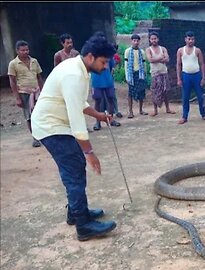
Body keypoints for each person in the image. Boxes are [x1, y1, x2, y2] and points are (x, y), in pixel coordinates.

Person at [31, 34, 117, 241]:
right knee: (75, 171)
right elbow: (76, 118)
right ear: (90, 57)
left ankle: (76, 213)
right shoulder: (73, 74)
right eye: (103, 62)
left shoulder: (79, 69)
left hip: (56, 125)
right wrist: (90, 152)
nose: (105, 67)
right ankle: (83, 225)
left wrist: (98, 115)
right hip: (51, 126)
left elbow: (78, 102)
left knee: (74, 168)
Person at [8, 40, 44, 147]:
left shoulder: (34, 61)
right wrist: (17, 98)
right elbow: (12, 81)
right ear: (17, 51)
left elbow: (39, 77)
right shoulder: (13, 64)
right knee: (29, 116)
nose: (25, 52)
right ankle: (35, 138)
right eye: (23, 50)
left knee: (40, 115)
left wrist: (43, 91)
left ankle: (42, 135)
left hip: (36, 91)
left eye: (27, 49)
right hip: (24, 92)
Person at [176, 31, 205, 124]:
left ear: (194, 40)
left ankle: (203, 114)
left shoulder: (197, 50)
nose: (191, 41)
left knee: (200, 97)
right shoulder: (180, 50)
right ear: (185, 39)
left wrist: (203, 77)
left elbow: (202, 64)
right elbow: (178, 65)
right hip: (186, 76)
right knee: (185, 97)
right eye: (189, 39)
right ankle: (184, 117)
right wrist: (179, 78)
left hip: (196, 75)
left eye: (192, 39)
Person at [146, 32, 176, 117]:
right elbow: (150, 60)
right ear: (150, 40)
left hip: (164, 72)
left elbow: (167, 59)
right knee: (155, 91)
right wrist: (160, 58)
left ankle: (168, 108)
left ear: (158, 39)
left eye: (155, 38)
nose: (154, 40)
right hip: (155, 74)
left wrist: (156, 59)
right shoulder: (148, 49)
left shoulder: (163, 48)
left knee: (166, 91)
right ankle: (155, 110)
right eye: (152, 39)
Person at [124, 34, 148, 118]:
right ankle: (131, 111)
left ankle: (141, 110)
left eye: (137, 41)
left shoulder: (142, 52)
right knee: (130, 93)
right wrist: (127, 76)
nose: (136, 42)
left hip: (140, 74)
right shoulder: (127, 51)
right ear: (131, 41)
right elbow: (126, 64)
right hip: (131, 74)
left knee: (141, 91)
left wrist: (144, 74)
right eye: (134, 40)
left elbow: (144, 64)